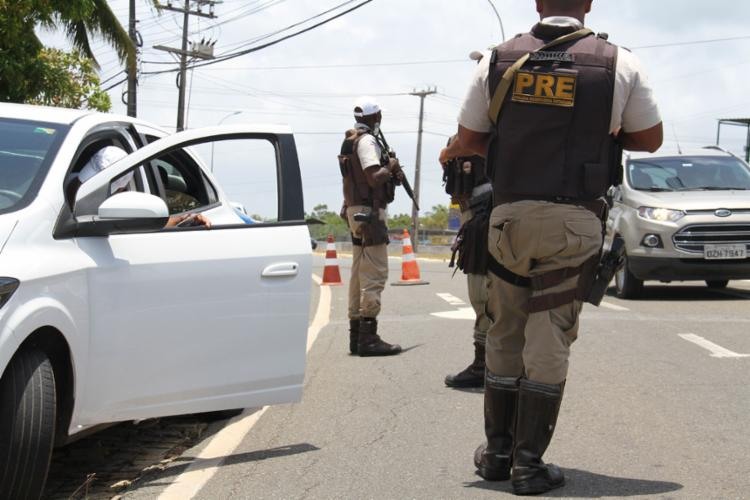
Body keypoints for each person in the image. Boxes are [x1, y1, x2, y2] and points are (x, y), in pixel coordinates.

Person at [439, 0, 662, 495]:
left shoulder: (496, 59)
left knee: (504, 329)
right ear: (587, 4)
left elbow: (469, 138)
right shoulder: (619, 61)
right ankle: (528, 463)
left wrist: (514, 143)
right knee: (550, 334)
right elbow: (649, 139)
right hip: (574, 219)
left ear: (538, 4)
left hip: (509, 216)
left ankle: (497, 454)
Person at [337, 97, 404, 357]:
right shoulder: (366, 142)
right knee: (374, 273)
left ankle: (356, 336)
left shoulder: (350, 140)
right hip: (369, 213)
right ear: (375, 118)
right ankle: (369, 337)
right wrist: (391, 167)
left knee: (357, 273)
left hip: (355, 211)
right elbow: (374, 177)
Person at [443, 147, 492, 389]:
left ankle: (484, 366)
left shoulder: (487, 122)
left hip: (484, 212)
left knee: (482, 292)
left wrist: (449, 151)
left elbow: (462, 144)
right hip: (481, 210)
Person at [74, 146, 210, 228]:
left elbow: (146, 223)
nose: (84, 189)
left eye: (98, 187)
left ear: (122, 189)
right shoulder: (57, 183)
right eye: (87, 181)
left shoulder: (117, 209)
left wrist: (185, 219)